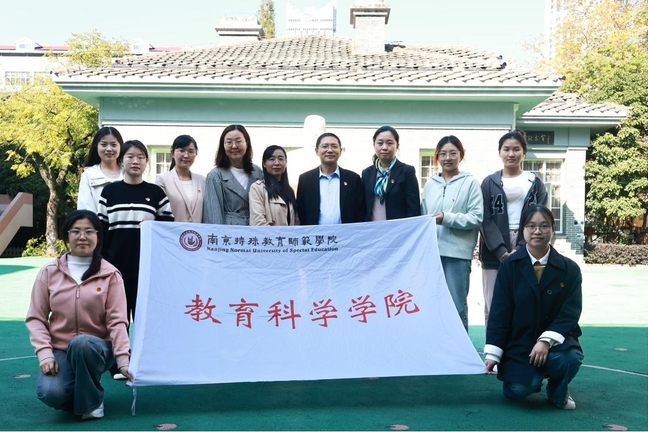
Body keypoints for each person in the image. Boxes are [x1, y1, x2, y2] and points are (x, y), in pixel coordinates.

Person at [25, 210, 131, 420]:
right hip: (61, 349)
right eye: (76, 231)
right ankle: (83, 392)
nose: (82, 236)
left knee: (82, 344)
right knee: (51, 393)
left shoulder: (110, 274)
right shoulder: (49, 272)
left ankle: (92, 403)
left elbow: (117, 321)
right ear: (67, 236)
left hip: (98, 348)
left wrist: (122, 359)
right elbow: (36, 317)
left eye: (89, 231)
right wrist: (45, 354)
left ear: (98, 237)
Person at [484, 205, 583, 410]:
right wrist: (493, 354)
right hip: (519, 343)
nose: (537, 231)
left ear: (552, 229)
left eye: (544, 226)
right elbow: (500, 312)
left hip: (557, 343)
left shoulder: (570, 269)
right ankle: (527, 377)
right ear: (523, 229)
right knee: (521, 389)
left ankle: (557, 389)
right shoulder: (509, 266)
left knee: (569, 358)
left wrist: (546, 340)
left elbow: (570, 312)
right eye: (531, 226)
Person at [98, 140, 174, 326]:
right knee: (117, 320)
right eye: (130, 156)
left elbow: (168, 228)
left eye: (140, 157)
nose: (135, 161)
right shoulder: (109, 192)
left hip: (146, 269)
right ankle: (120, 346)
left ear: (146, 162)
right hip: (115, 267)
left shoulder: (156, 193)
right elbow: (101, 230)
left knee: (145, 320)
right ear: (121, 161)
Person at [479, 130, 547, 329]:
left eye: (516, 149)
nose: (511, 154)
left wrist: (520, 247)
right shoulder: (489, 182)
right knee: (493, 302)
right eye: (506, 149)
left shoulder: (535, 183)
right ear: (499, 152)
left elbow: (541, 217)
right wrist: (500, 250)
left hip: (528, 245)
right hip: (493, 248)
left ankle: (521, 345)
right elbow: (484, 218)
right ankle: (493, 346)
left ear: (524, 152)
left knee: (525, 300)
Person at [421, 136, 483, 331]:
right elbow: (423, 217)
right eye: (443, 154)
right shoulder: (430, 184)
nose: (448, 158)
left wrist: (446, 218)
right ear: (437, 157)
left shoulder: (470, 183)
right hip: (432, 255)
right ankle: (435, 346)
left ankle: (460, 348)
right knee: (432, 304)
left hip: (457, 255)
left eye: (453, 153)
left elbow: (476, 217)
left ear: (460, 155)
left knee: (456, 306)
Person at [296, 132, 365, 225]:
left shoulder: (353, 179)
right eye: (325, 146)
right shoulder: (305, 180)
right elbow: (301, 212)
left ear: (340, 151)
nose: (329, 150)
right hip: (316, 233)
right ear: (317, 151)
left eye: (334, 146)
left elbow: (360, 211)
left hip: (347, 233)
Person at [203, 124, 263, 225]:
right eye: (229, 142)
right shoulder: (215, 176)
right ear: (223, 145)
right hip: (229, 231)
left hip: (255, 229)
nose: (234, 146)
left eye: (238, 141)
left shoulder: (257, 171)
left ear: (247, 143)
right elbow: (213, 216)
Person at [361, 126, 420, 221]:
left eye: (389, 143)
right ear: (374, 145)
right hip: (372, 228)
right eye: (380, 143)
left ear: (397, 146)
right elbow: (362, 207)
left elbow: (413, 209)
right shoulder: (367, 173)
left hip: (398, 229)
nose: (384, 147)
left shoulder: (407, 171)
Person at [155, 135, 206, 223]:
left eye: (191, 151)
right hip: (172, 231)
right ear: (172, 153)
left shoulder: (202, 181)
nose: (186, 155)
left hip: (198, 231)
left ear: (195, 154)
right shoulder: (162, 180)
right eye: (181, 151)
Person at [77, 127, 124, 213]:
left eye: (113, 145)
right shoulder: (89, 175)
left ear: (120, 147)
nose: (109, 149)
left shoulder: (128, 174)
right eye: (104, 144)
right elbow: (84, 209)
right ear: (96, 147)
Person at [250, 145, 299, 226]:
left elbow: (296, 222)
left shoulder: (289, 191)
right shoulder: (257, 188)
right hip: (269, 234)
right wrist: (279, 234)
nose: (277, 163)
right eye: (272, 159)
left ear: (286, 163)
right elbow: (257, 222)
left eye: (280, 159)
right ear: (264, 164)